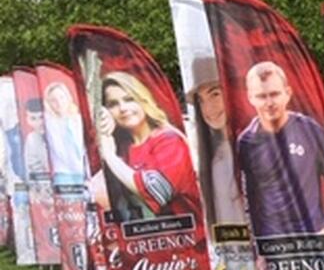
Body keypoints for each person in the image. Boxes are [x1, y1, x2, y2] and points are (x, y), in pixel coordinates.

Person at [235, 61, 324, 238]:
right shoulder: (247, 141)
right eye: (261, 96)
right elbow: (249, 199)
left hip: (313, 237)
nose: (269, 102)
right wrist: (258, 249)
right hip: (274, 242)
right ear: (250, 98)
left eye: (275, 94)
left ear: (287, 93)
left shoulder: (309, 130)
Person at [94, 72, 198, 220]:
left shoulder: (170, 140)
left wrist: (110, 155)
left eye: (129, 99)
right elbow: (97, 194)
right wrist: (104, 131)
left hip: (185, 238)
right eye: (113, 104)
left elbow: (157, 190)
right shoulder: (121, 146)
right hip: (140, 238)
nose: (122, 108)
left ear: (142, 100)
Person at [188, 58, 246, 227]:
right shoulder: (209, 156)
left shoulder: (255, 145)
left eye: (215, 94)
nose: (208, 108)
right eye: (201, 100)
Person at [41, 81, 86, 186]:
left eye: (62, 97)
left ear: (68, 98)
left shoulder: (78, 119)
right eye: (53, 100)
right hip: (64, 173)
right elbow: (59, 150)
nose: (59, 103)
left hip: (84, 173)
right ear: (48, 103)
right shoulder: (50, 124)